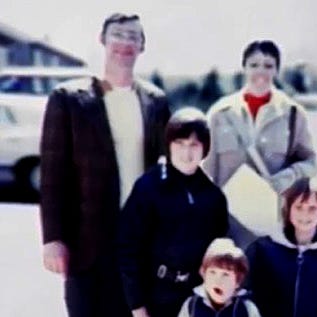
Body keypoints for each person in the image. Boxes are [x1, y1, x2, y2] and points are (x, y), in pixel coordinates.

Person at [39, 13, 170, 317]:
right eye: (119, 35)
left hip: (140, 240)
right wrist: (53, 238)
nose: (125, 43)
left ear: (142, 46)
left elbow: (167, 169)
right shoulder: (69, 98)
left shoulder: (155, 101)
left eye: (134, 37)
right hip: (87, 241)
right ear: (103, 40)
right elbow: (52, 176)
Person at [202, 40, 317, 246]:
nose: (261, 72)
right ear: (244, 68)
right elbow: (204, 170)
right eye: (254, 65)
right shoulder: (221, 113)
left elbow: (311, 164)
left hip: (273, 225)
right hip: (228, 225)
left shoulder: (292, 113)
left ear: (277, 70)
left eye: (268, 65)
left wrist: (288, 176)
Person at [118, 107, 229, 317]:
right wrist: (137, 305)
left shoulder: (213, 196)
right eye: (179, 144)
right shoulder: (149, 187)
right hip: (156, 295)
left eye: (194, 145)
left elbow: (218, 250)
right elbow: (128, 249)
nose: (186, 153)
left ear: (204, 148)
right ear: (169, 145)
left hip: (197, 297)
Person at [246, 179, 317, 317]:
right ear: (288, 210)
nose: (304, 215)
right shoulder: (263, 250)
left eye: (312, 208)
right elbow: (247, 299)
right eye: (299, 207)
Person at [178, 238, 261, 317]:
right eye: (212, 273)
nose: (218, 281)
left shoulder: (246, 308)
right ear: (204, 275)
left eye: (225, 275)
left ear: (237, 281)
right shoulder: (191, 305)